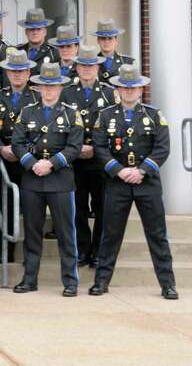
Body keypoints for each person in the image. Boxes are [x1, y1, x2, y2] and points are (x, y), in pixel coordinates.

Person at [89, 64, 178, 299]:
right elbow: (99, 148)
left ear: (140, 90)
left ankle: (168, 284)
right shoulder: (105, 116)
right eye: (124, 88)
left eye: (133, 88)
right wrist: (118, 170)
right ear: (118, 90)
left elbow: (162, 148)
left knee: (157, 235)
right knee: (110, 234)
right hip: (117, 183)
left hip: (146, 183)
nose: (129, 92)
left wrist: (141, 171)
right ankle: (101, 282)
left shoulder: (153, 114)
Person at [10, 61, 83, 296]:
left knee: (66, 232)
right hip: (32, 180)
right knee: (32, 232)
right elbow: (18, 143)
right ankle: (29, 279)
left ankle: (70, 281)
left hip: (60, 180)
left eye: (54, 86)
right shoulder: (27, 112)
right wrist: (33, 164)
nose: (49, 90)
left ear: (61, 87)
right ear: (39, 88)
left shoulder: (72, 114)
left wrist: (51, 163)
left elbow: (75, 147)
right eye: (45, 86)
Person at [62, 45, 115, 267]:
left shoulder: (109, 92)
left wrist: (96, 148)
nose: (86, 69)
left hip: (100, 158)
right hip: (74, 160)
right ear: (76, 66)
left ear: (97, 66)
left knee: (103, 207)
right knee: (78, 207)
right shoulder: (66, 91)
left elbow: (114, 125)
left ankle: (99, 252)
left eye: (90, 65)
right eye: (82, 65)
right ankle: (82, 250)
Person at [0, 47, 35, 262]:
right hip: (2, 158)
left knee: (31, 207)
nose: (17, 74)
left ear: (28, 73)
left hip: (28, 160)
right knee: (6, 205)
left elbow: (41, 130)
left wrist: (20, 151)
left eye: (21, 71)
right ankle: (7, 252)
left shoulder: (37, 96)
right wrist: (0, 148)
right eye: (13, 71)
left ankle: (30, 253)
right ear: (7, 73)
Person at [92, 18, 135, 84]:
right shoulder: (91, 63)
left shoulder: (127, 62)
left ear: (116, 41)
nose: (106, 42)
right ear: (98, 41)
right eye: (103, 38)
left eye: (110, 38)